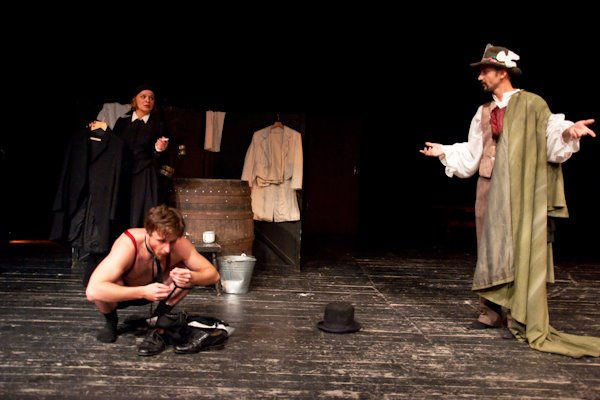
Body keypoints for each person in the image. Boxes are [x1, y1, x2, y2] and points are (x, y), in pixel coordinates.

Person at [420, 44, 599, 357]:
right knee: (488, 248)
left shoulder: (533, 104)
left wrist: (569, 132)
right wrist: (445, 151)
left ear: (502, 72)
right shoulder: (483, 111)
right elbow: (473, 153)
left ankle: (519, 312)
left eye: (485, 71)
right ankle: (490, 312)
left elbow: (551, 138)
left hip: (520, 190)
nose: (480, 77)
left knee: (518, 248)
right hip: (488, 187)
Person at [85, 205, 220, 356]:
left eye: (172, 241)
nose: (167, 249)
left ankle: (157, 321)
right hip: (123, 294)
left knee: (186, 274)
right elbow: (92, 291)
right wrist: (143, 292)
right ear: (148, 232)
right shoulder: (129, 243)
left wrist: (191, 276)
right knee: (103, 285)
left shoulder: (180, 244)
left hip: (159, 292)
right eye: (161, 241)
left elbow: (213, 275)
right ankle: (111, 322)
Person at [110, 84, 172, 228]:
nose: (147, 100)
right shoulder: (122, 123)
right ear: (135, 100)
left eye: (151, 98)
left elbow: (163, 154)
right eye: (143, 97)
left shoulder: (158, 125)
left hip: (145, 173)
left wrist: (159, 149)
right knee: (121, 210)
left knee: (143, 212)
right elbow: (113, 147)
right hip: (123, 174)